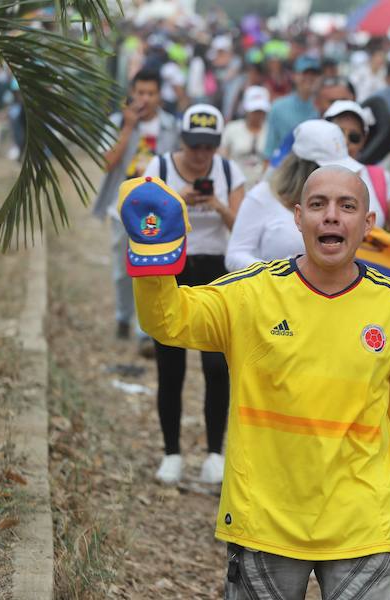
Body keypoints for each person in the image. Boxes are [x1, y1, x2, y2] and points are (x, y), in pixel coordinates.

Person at [121, 164, 390, 598]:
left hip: (364, 525)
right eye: (318, 205)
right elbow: (168, 321)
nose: (331, 216)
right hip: (265, 523)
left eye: (347, 206)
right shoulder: (252, 294)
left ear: (368, 224)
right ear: (298, 217)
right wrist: (153, 254)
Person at [141, 103, 246, 485]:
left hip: (217, 270)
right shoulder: (161, 168)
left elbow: (243, 228)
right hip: (172, 268)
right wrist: (175, 201)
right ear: (183, 140)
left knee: (217, 368)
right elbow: (143, 221)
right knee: (170, 365)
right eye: (195, 145)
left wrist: (217, 205)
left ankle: (214, 453)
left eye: (209, 146)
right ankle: (171, 453)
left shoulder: (230, 172)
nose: (201, 155)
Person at [92, 68, 179, 352]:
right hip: (122, 210)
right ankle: (122, 316)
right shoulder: (117, 123)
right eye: (140, 93)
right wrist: (128, 128)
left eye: (150, 93)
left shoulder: (172, 127)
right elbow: (107, 163)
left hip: (158, 213)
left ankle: (146, 330)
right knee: (122, 268)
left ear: (159, 95)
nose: (144, 99)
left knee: (152, 269)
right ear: (132, 93)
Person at [226, 119, 364, 272]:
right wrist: (279, 271)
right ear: (305, 167)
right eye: (328, 168)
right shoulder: (262, 196)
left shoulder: (340, 202)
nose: (336, 175)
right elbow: (235, 255)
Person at [324, 99, 390, 230]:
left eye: (354, 137)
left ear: (364, 140)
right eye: (339, 133)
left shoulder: (381, 178)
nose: (345, 141)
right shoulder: (308, 173)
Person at [262, 54, 321, 159]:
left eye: (314, 74)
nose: (309, 78)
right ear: (294, 76)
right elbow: (270, 149)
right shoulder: (278, 107)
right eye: (304, 73)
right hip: (285, 168)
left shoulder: (325, 107)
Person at [220, 85, 269, 189]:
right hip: (234, 183)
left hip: (262, 185)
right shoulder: (231, 128)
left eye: (261, 111)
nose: (257, 114)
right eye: (254, 111)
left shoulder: (271, 131)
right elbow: (222, 155)